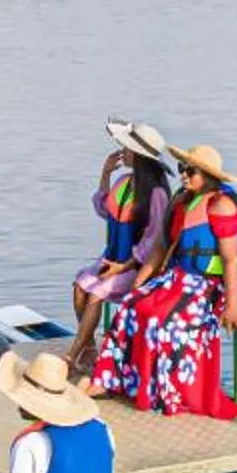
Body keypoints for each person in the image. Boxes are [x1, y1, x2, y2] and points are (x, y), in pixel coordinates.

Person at [89, 142, 237, 419]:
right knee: (131, 306)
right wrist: (139, 283)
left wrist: (232, 307)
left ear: (208, 176)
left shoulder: (221, 205)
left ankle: (164, 391)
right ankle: (118, 381)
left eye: (191, 171)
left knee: (160, 319)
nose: (183, 175)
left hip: (207, 286)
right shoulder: (181, 200)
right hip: (176, 278)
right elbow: (161, 246)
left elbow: (230, 260)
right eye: (182, 168)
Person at [70, 120, 173, 375]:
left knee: (96, 294)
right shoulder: (124, 182)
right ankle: (89, 347)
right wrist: (105, 174)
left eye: (126, 148)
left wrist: (122, 267)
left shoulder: (157, 194)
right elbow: (104, 208)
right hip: (112, 258)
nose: (121, 152)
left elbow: (152, 242)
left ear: (138, 156)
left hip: (135, 266)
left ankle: (71, 357)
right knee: (80, 287)